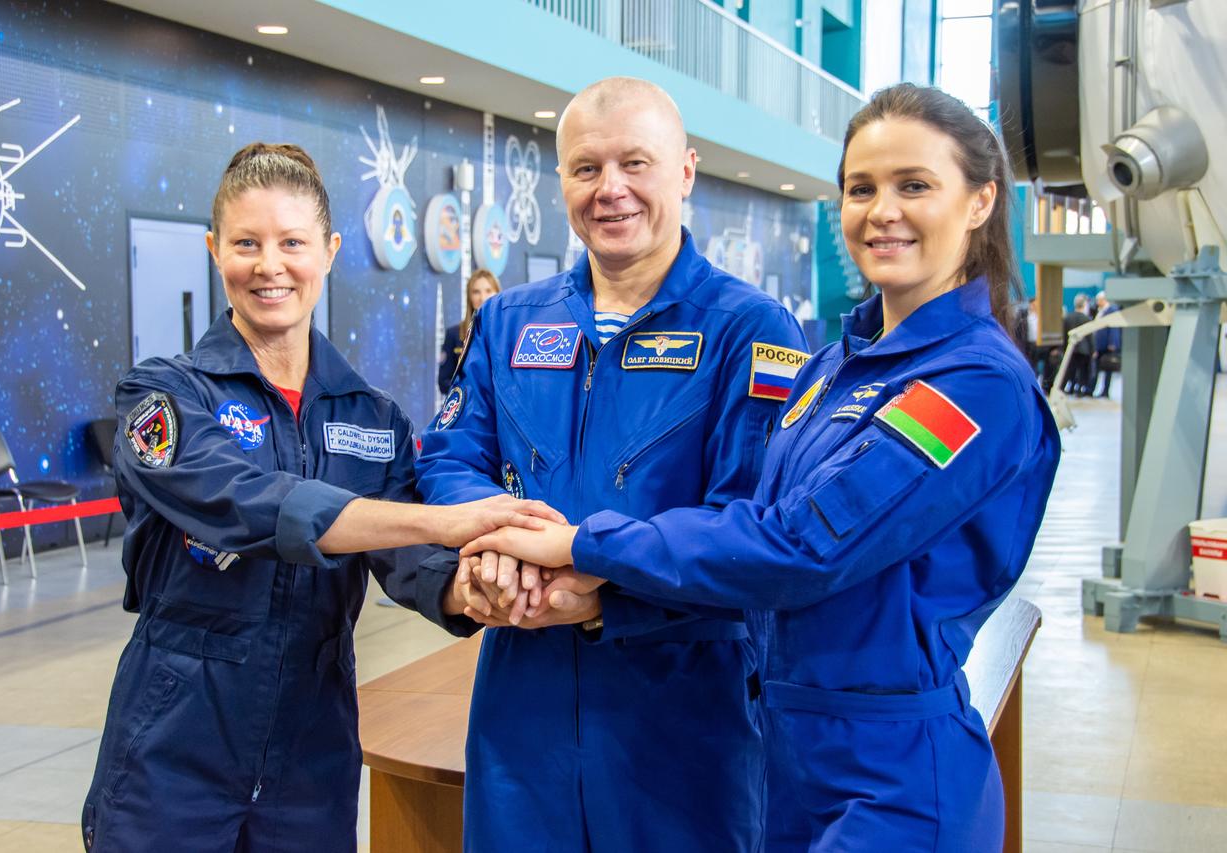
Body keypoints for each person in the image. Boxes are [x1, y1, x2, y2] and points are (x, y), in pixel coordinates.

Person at [466, 83, 1062, 851]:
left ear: (979, 201)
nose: (883, 211)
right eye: (861, 188)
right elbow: (743, 523)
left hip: (894, 775)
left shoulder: (975, 386)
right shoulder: (831, 372)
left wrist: (582, 546)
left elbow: (801, 545)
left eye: (915, 185)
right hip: (786, 757)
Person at [80, 143, 558, 853]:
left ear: (330, 250)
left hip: (312, 750)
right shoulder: (164, 395)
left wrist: (472, 587)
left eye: (292, 242)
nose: (269, 265)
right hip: (175, 743)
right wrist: (447, 517)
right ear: (215, 251)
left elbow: (411, 561)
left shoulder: (371, 418)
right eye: (246, 243)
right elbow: (241, 497)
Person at [415, 77, 807, 852]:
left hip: (683, 718)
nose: (611, 189)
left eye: (637, 162)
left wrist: (600, 598)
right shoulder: (508, 322)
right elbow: (451, 457)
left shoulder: (751, 330)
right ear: (561, 179)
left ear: (686, 172)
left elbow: (747, 524)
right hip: (522, 711)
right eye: (586, 168)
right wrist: (502, 545)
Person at [438, 269, 501, 394]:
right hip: (469, 408)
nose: (482, 297)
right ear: (469, 297)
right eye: (476, 292)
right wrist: (470, 393)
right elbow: (444, 382)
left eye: (488, 291)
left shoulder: (506, 334)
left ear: (497, 294)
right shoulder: (454, 334)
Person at [1063, 293, 1094, 395]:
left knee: (1071, 370)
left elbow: (1064, 334)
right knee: (1082, 371)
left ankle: (1070, 388)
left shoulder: (1068, 317)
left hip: (1071, 348)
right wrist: (1093, 350)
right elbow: (1090, 336)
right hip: (1083, 350)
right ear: (1084, 305)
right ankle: (1080, 390)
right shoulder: (1086, 318)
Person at [1093, 291, 1120, 397]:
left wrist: (1112, 343)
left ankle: (1105, 391)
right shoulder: (1101, 311)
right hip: (1099, 345)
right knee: (1097, 368)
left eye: (1098, 300)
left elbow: (1113, 327)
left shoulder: (1111, 310)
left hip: (1107, 345)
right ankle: (1095, 389)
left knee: (1108, 368)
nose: (1097, 302)